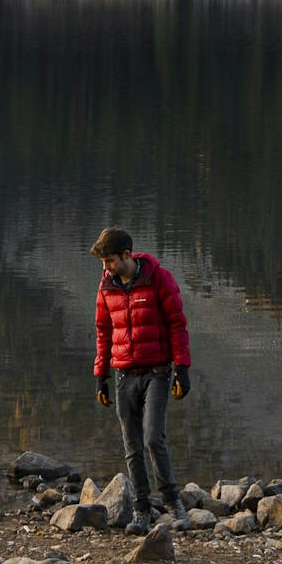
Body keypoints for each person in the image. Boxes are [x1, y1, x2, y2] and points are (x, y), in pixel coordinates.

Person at [90, 226, 191, 533]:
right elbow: (103, 331)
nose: (106, 267)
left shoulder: (159, 278)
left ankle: (174, 504)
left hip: (158, 373)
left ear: (126, 255)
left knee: (152, 438)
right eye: (103, 262)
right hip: (123, 375)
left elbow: (177, 324)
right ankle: (141, 510)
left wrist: (182, 369)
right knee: (131, 443)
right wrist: (101, 376)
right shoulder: (106, 286)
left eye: (109, 260)